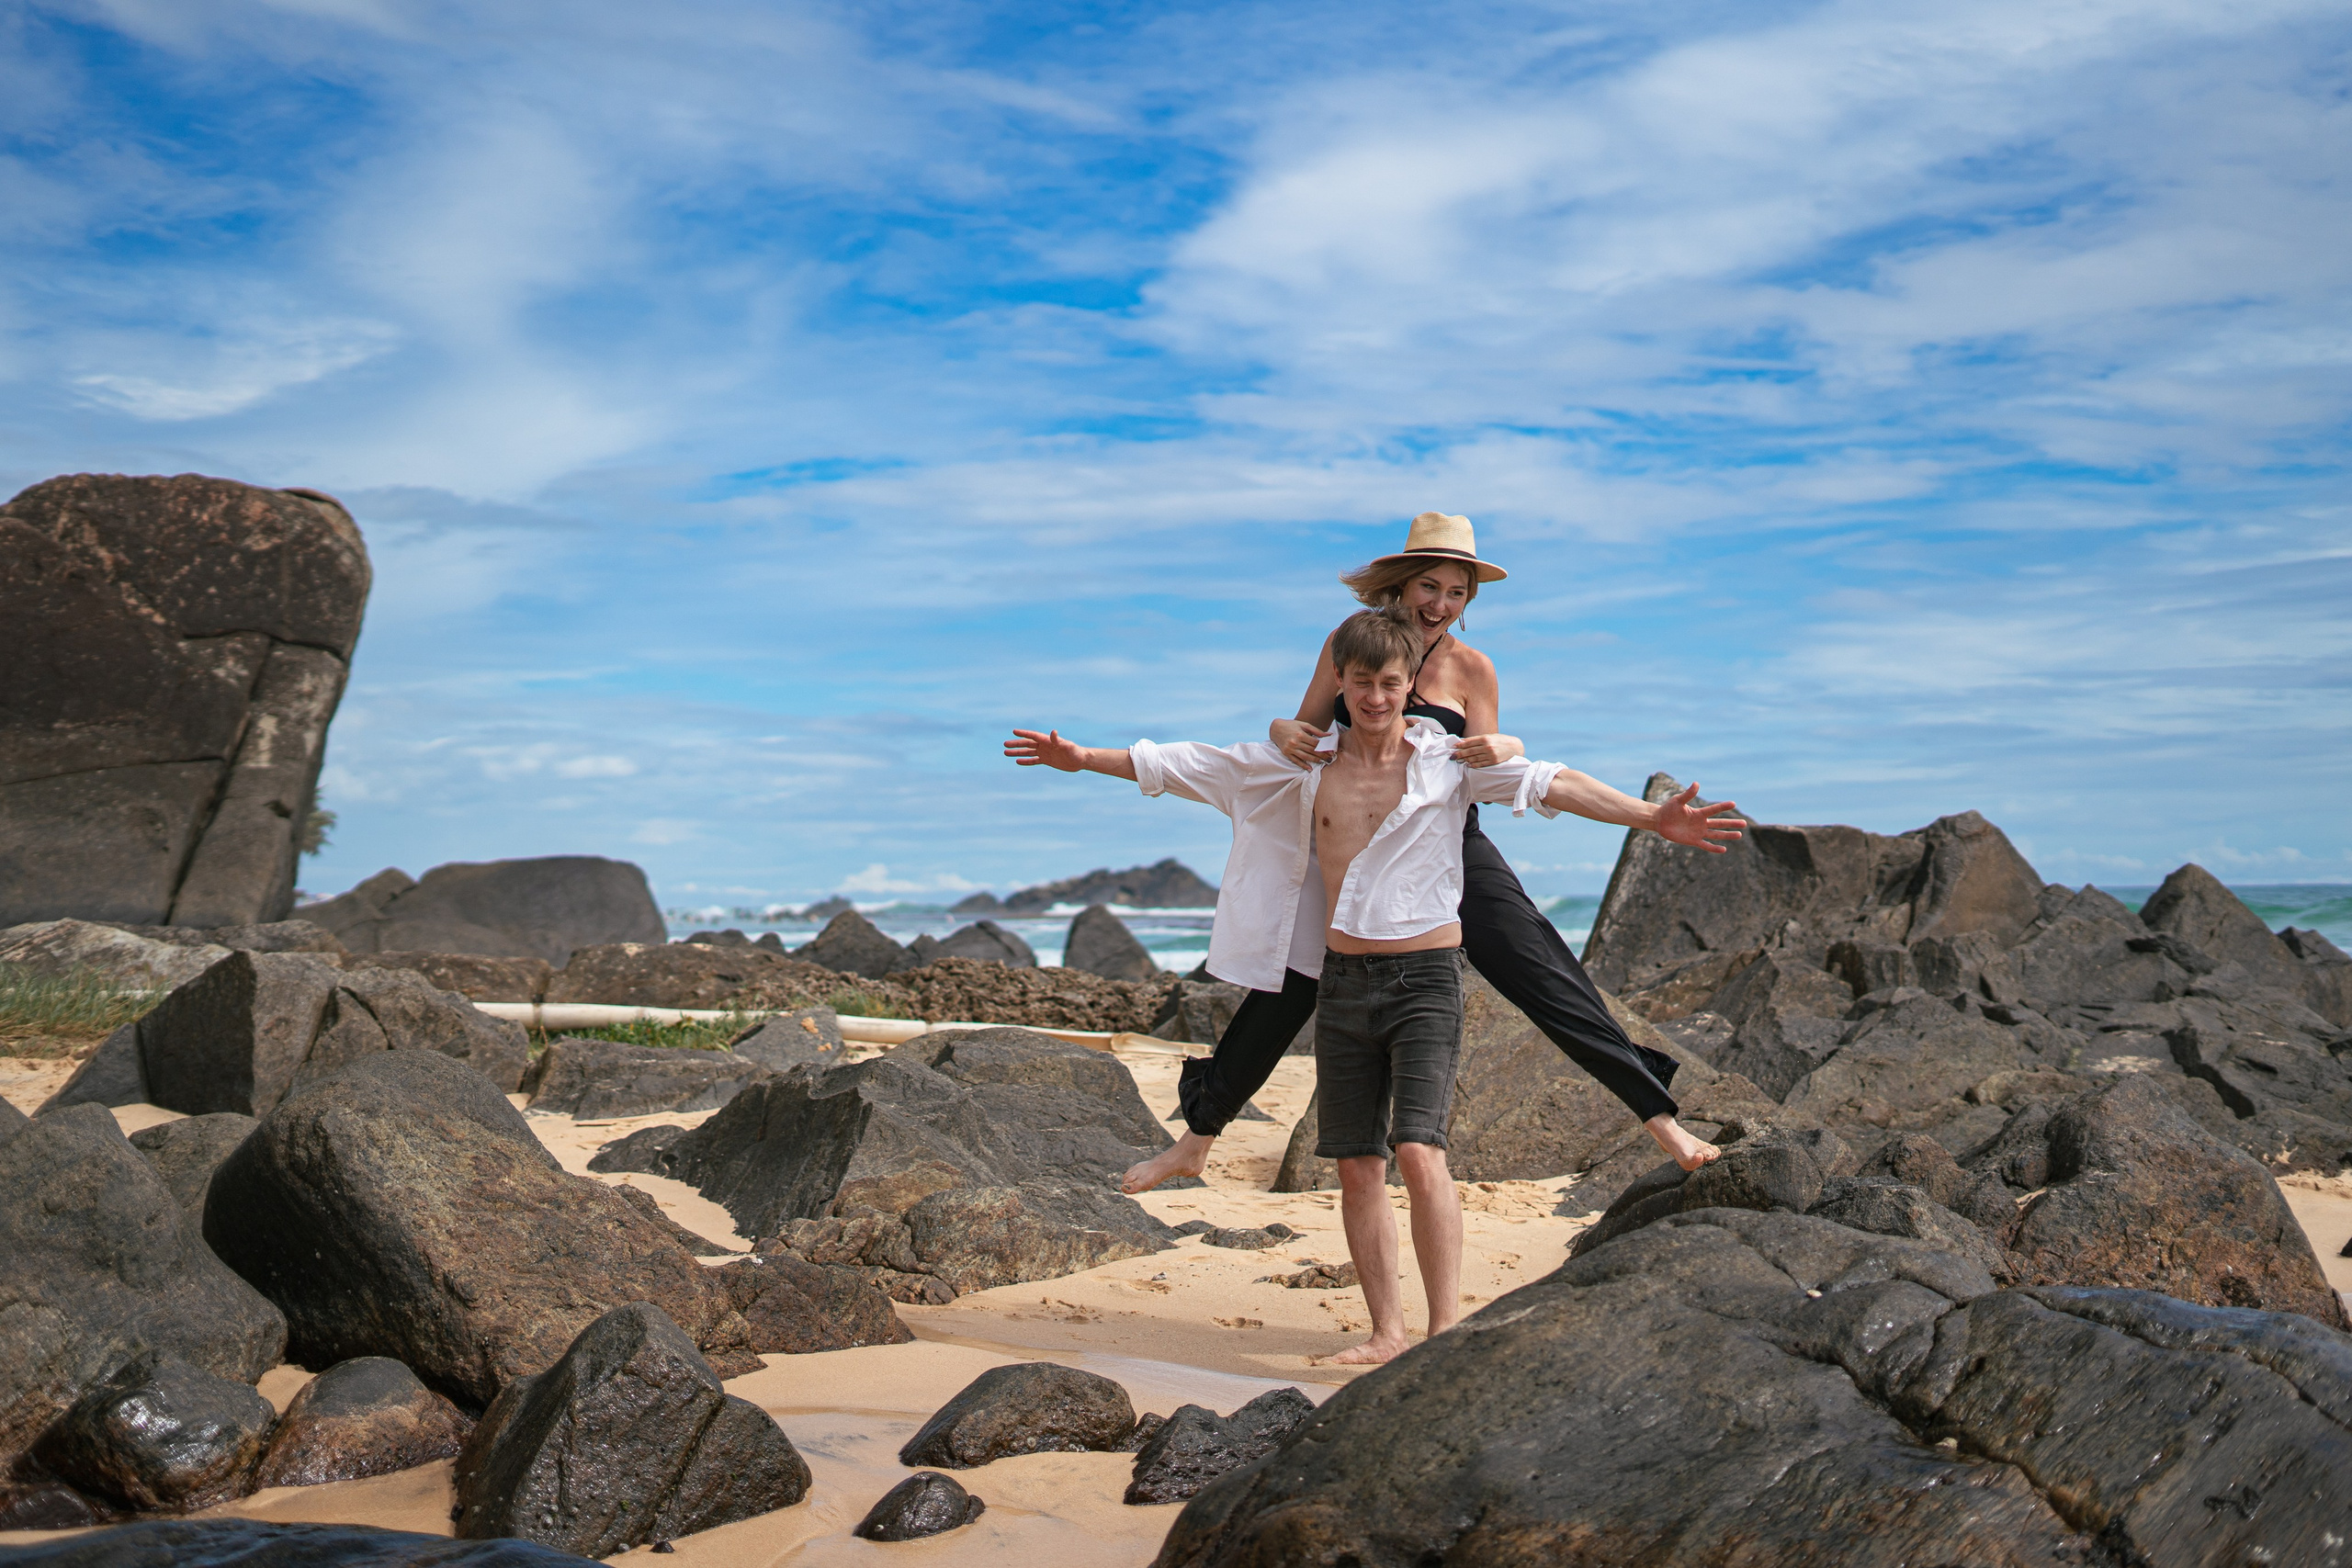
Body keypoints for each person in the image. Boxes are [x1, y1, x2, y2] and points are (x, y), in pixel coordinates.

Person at [1004, 609, 1745, 1365]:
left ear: (1408, 687)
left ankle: (1441, 1332)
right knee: (1358, 1166)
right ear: (1343, 685)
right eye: (1363, 683)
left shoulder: (1446, 763)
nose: (1378, 697)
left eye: (1392, 683)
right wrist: (1082, 757)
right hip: (1344, 983)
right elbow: (1189, 764)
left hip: (1424, 980)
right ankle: (1386, 1332)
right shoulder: (1302, 766)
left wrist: (1653, 816)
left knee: (1421, 1152)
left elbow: (1550, 783)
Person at [1118, 511, 1740, 1196]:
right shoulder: (1349, 642)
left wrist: (1610, 796)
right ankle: (1194, 1143)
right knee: (1287, 989)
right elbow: (1304, 738)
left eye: (1457, 592)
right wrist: (1279, 725)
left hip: (1449, 846)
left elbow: (1491, 767)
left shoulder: (1473, 668)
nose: (1441, 604)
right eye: (1430, 586)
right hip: (1351, 845)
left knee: (1546, 975)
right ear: (1401, 583)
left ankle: (1666, 1127)